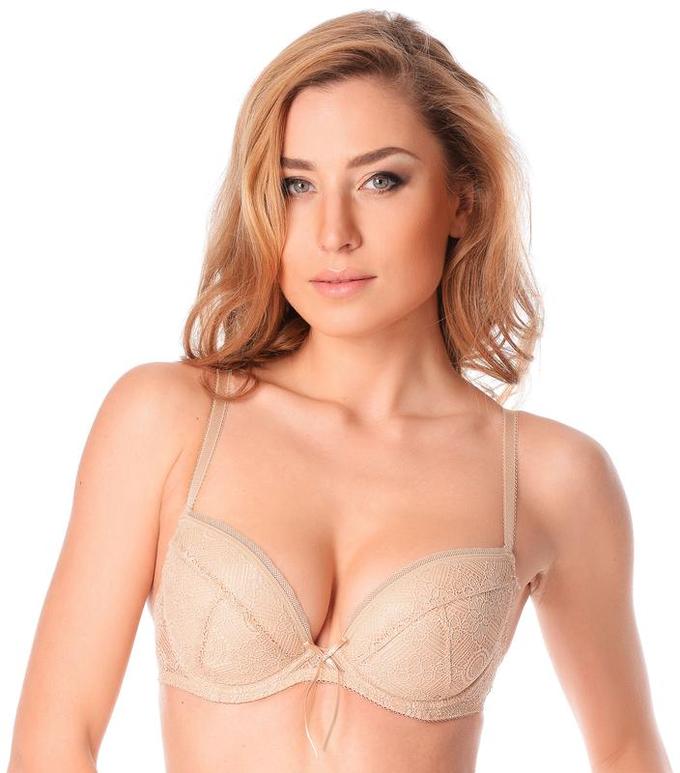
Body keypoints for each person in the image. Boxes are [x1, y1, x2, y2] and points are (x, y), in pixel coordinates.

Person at [8, 10, 672, 773]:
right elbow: (53, 742)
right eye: (296, 185)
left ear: (463, 199)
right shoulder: (166, 420)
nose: (333, 232)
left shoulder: (553, 475)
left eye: (380, 180)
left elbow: (628, 750)